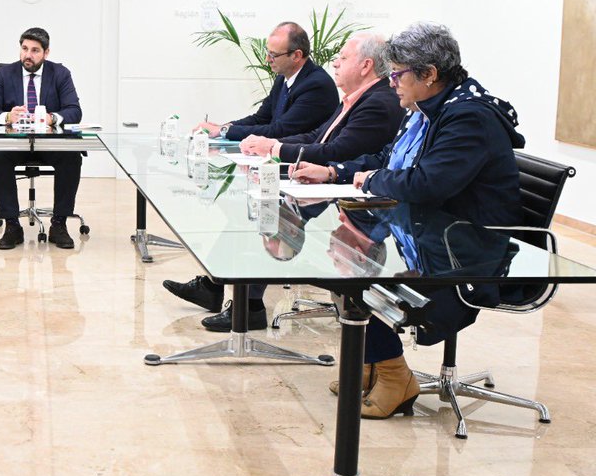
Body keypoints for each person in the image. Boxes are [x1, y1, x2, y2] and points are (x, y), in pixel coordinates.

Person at [292, 22, 524, 419]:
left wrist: (372, 179)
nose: (392, 82)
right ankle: (373, 366)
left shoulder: (466, 118)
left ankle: (396, 375)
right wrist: (334, 172)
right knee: (344, 255)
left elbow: (427, 184)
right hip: (432, 231)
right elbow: (388, 161)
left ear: (429, 74)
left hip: (467, 252)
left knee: (356, 275)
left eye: (397, 74)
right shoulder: (425, 111)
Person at [165, 32, 403, 330]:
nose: (335, 64)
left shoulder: (376, 101)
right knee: (253, 206)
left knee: (268, 214)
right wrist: (268, 145)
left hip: (353, 201)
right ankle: (223, 291)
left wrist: (275, 148)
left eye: (342, 58)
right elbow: (316, 137)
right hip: (326, 183)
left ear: (366, 65)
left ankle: (246, 305)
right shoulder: (357, 98)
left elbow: (336, 151)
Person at [0, 27, 83, 250]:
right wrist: (7, 116)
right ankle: (12, 225)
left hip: (49, 143)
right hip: (16, 144)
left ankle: (59, 224)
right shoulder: (4, 74)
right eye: (24, 49)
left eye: (35, 50)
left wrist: (51, 118)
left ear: (46, 53)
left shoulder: (60, 74)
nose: (28, 55)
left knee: (72, 157)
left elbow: (74, 110)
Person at [196, 21, 339, 142]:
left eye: (273, 55)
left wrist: (224, 131)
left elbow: (280, 131)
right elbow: (261, 118)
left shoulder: (316, 85)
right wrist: (224, 127)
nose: (267, 59)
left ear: (296, 55)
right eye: (267, 52)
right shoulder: (282, 78)